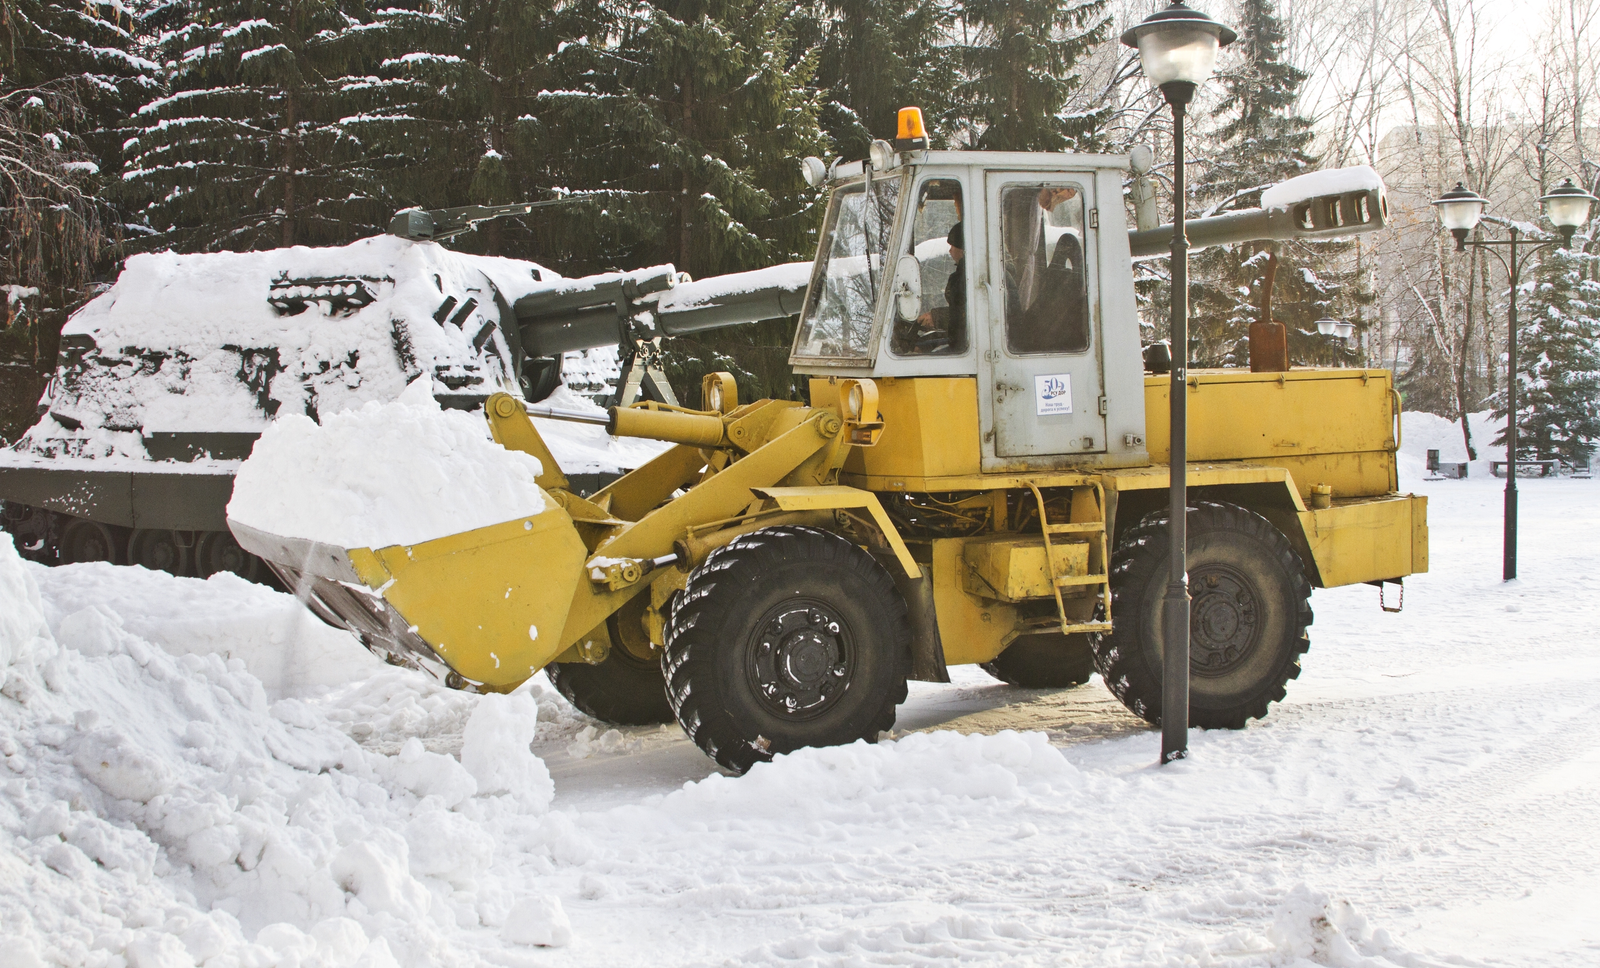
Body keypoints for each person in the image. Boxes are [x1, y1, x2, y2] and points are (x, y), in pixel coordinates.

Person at [911, 221, 965, 352]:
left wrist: (936, 317)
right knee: (921, 347)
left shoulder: (971, 277)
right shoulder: (963, 274)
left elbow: (968, 316)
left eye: (953, 246)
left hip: (969, 347)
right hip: (961, 339)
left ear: (963, 248)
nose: (950, 250)